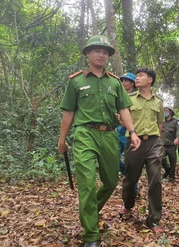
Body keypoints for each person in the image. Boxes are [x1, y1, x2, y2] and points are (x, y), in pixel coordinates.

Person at [58, 35, 140, 247]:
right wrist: (62, 140)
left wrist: (132, 132)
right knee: (86, 183)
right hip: (85, 134)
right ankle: (90, 235)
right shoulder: (76, 81)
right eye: (97, 50)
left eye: (105, 52)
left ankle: (89, 211)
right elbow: (68, 112)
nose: (102, 54)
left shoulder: (114, 82)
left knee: (111, 181)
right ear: (88, 53)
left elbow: (123, 109)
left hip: (110, 134)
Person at [120, 67, 165, 233]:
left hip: (153, 143)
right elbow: (123, 122)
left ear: (150, 80)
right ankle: (128, 205)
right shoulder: (129, 98)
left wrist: (155, 140)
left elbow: (160, 125)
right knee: (131, 179)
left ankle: (154, 220)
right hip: (133, 142)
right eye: (136, 76)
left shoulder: (158, 101)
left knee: (155, 180)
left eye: (140, 76)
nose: (136, 79)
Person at [116, 73, 139, 196]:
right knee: (114, 159)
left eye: (127, 81)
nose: (124, 83)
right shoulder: (117, 95)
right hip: (118, 131)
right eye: (123, 80)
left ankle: (134, 187)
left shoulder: (136, 97)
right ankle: (131, 180)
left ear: (132, 83)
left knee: (131, 161)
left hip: (130, 133)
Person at [161, 106, 179, 183]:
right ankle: (168, 171)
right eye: (164, 111)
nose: (165, 112)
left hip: (172, 145)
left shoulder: (175, 122)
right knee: (161, 159)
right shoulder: (161, 121)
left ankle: (171, 177)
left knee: (173, 161)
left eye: (166, 110)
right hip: (162, 144)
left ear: (170, 112)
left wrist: (177, 138)